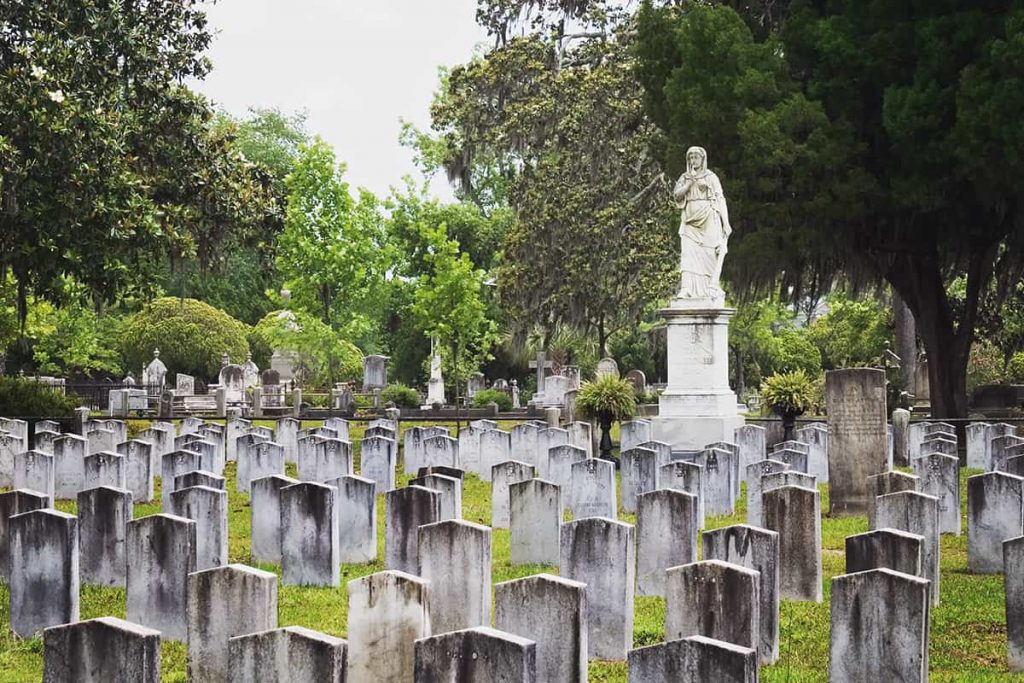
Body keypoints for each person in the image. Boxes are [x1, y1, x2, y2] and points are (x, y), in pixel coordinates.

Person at [673, 146, 732, 300]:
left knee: (709, 254)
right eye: (690, 158)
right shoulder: (685, 177)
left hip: (708, 218)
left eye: (696, 158)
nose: (693, 161)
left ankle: (709, 288)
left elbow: (720, 199)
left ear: (702, 159)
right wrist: (688, 184)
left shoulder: (711, 177)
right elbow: (677, 196)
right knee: (687, 254)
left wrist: (726, 222)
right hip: (689, 221)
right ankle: (686, 288)